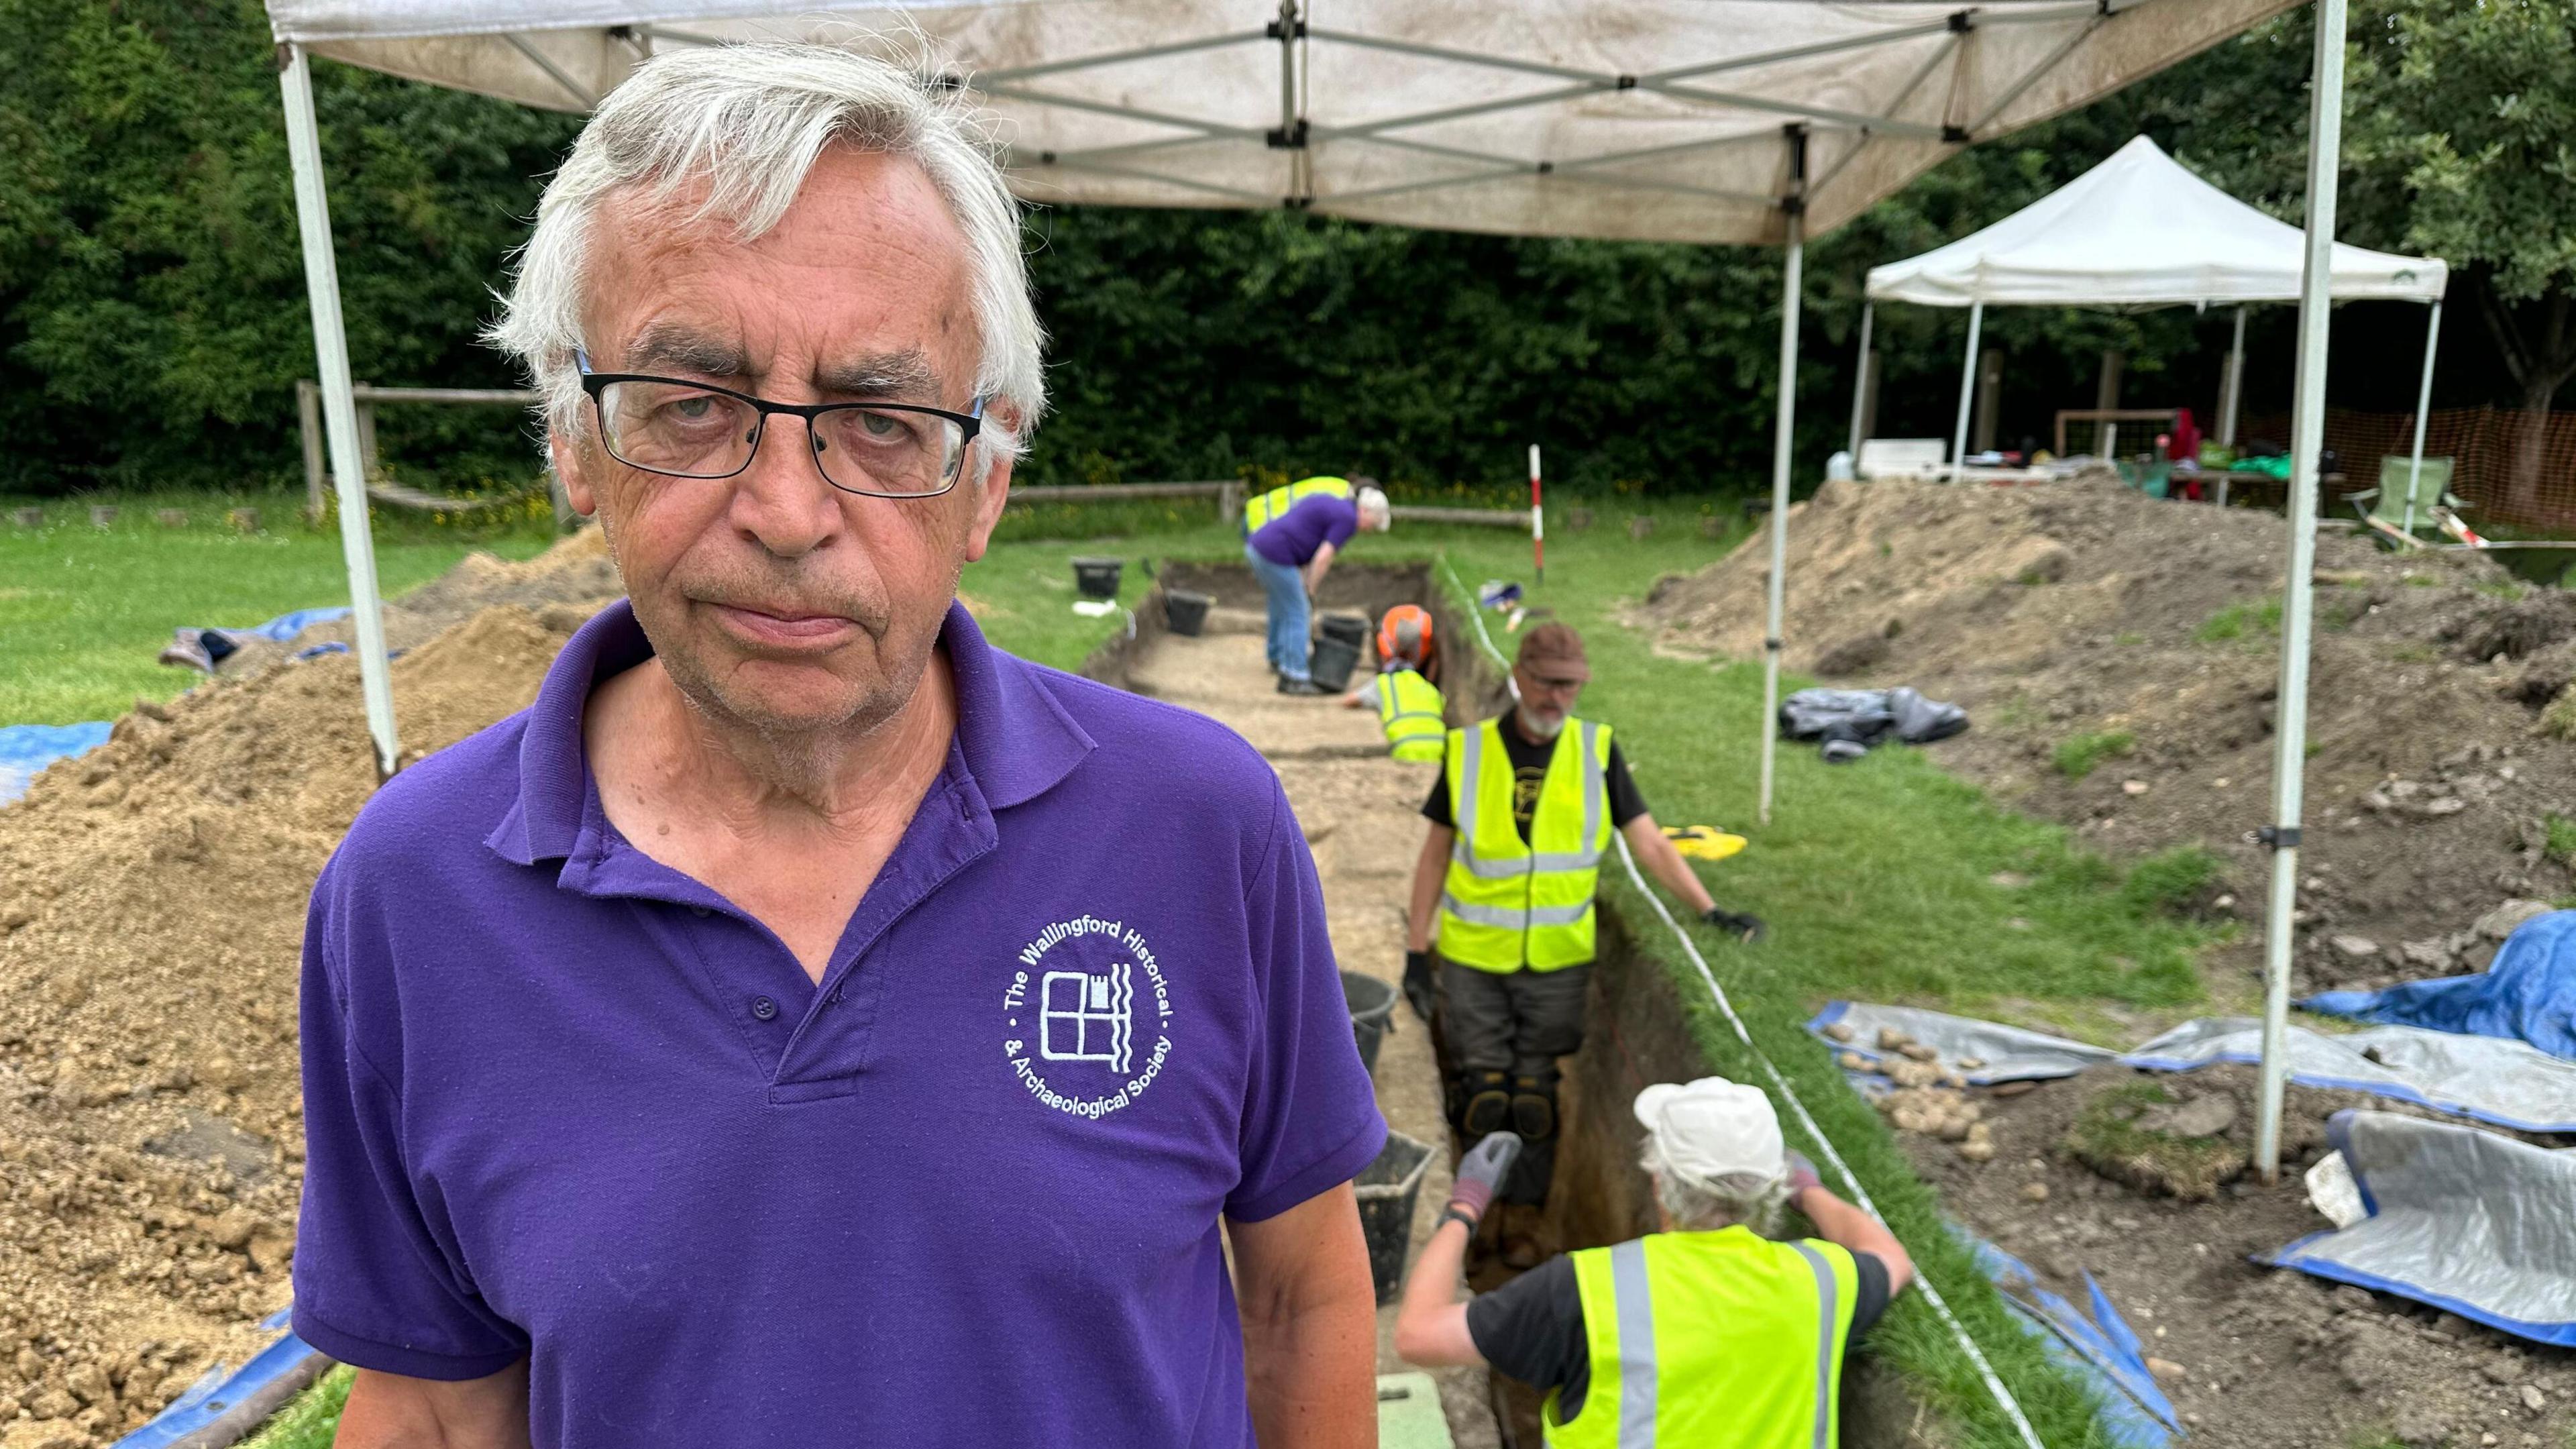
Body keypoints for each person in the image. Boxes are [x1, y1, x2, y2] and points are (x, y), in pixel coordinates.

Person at [292, 45, 1387, 1449]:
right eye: (692, 406)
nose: (791, 512)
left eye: (881, 420)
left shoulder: (1199, 826)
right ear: (577, 441)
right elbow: (439, 1410)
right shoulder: (413, 894)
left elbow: (1299, 1303)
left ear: (985, 481)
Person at [1404, 623, 1764, 1261]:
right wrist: (1413, 947)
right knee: (1484, 1093)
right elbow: (1435, 856)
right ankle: (1474, 1224)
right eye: (1545, 682)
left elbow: (1649, 839)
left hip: (1557, 966)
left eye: (1570, 685)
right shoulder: (1468, 752)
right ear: (1519, 676)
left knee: (1536, 1099)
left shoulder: (1597, 752)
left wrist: (1711, 911)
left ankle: (1524, 1224)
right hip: (1472, 962)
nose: (1556, 697)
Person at [1393, 1079, 1914, 1448]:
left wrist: (1465, 1207)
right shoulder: (1821, 1281)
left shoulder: (1585, 1289)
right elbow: (1890, 1257)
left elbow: (1417, 1335)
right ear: (1768, 1188)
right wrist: (1811, 1192)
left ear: (1659, 1180)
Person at [1243, 474, 1391, 694]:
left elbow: (1302, 535)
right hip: (1274, 554)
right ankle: (1294, 676)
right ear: (1366, 511)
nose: (1370, 529)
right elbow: (1323, 558)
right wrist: (1310, 591)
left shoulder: (1334, 504)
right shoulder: (1347, 519)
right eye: (1373, 523)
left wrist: (1304, 581)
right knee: (1298, 611)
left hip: (1259, 547)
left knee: (1281, 604)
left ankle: (1277, 657)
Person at [1340, 604, 1445, 763]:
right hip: (1440, 750)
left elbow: (1349, 701)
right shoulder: (1431, 691)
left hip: (1404, 751)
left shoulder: (1383, 684)